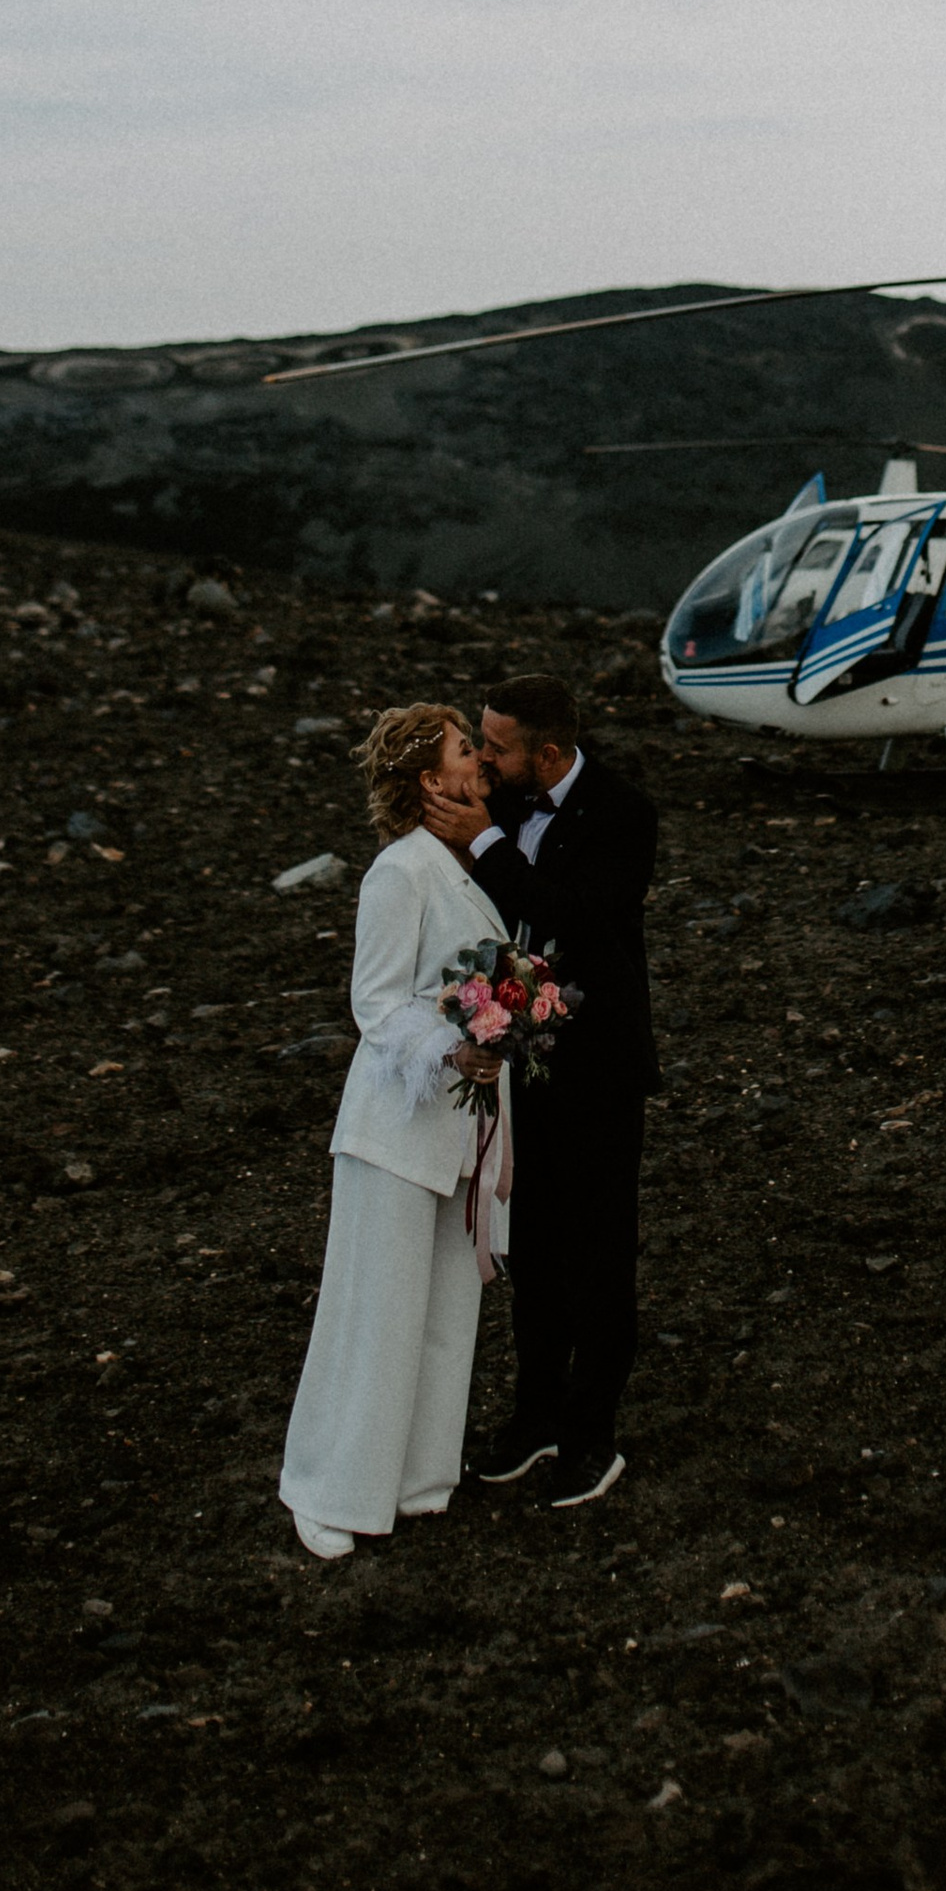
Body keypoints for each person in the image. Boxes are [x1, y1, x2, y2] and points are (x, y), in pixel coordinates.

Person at [421, 669, 657, 1508]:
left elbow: (576, 922)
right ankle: (536, 1420)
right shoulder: (508, 803)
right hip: (522, 1064)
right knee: (532, 1252)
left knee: (599, 1257)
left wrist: (485, 846)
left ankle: (593, 1439)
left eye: (496, 746)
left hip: (598, 1070)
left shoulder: (625, 815)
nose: (484, 759)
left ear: (548, 753)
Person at [277, 702, 507, 1561]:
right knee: (374, 1310)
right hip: (396, 1125)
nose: (478, 760)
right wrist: (457, 1050)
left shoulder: (466, 864)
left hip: (464, 1129)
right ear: (427, 779)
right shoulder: (400, 871)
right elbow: (374, 1005)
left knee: (447, 1308)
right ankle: (329, 1486)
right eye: (461, 751)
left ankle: (417, 1477)